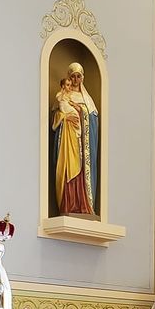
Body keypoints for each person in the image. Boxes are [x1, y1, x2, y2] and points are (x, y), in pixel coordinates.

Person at [49, 63, 98, 216]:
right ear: (69, 79)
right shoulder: (64, 96)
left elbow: (94, 123)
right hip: (68, 140)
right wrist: (65, 117)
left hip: (83, 144)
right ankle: (68, 205)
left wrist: (82, 114)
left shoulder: (88, 100)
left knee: (82, 171)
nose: (76, 80)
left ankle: (83, 205)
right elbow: (55, 119)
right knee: (68, 167)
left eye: (79, 76)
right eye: (73, 77)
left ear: (82, 78)